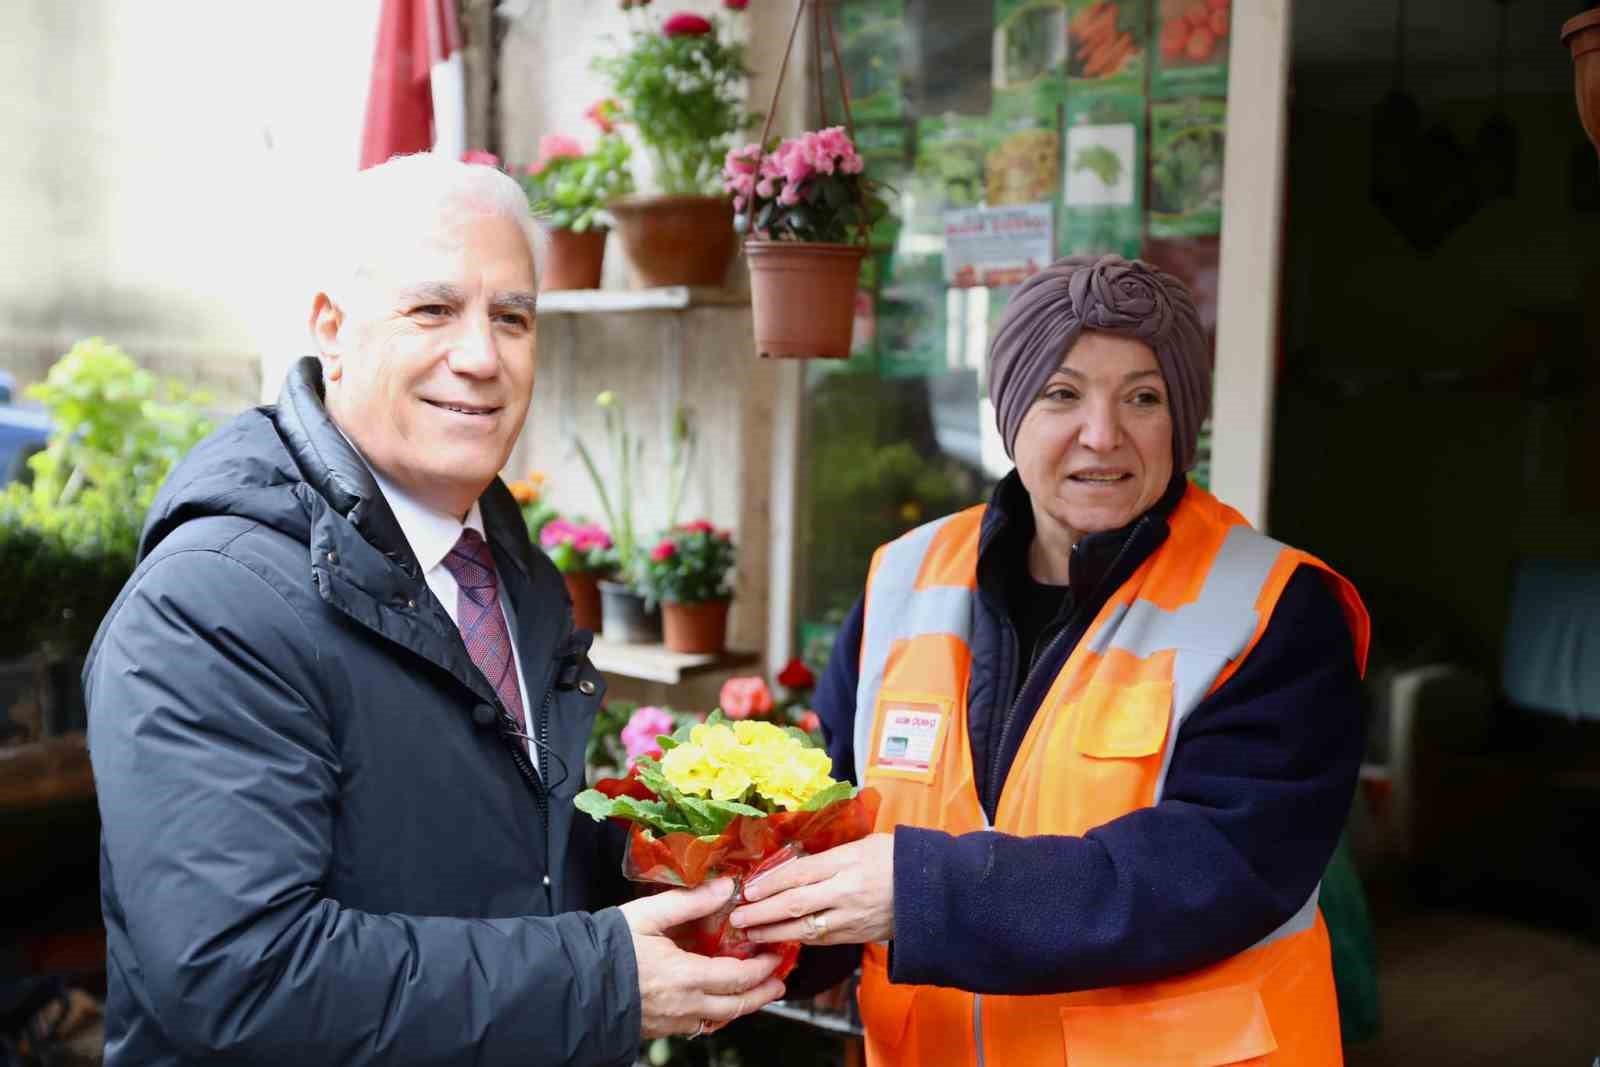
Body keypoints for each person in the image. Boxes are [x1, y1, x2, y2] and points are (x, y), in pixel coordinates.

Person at [84, 153, 784, 1066]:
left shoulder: (504, 568)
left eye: (512, 316)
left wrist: (719, 890)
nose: (481, 356)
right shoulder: (212, 603)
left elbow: (503, 864)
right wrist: (603, 977)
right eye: (432, 309)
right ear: (331, 329)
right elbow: (242, 975)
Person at [732, 255, 1370, 1065]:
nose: (1102, 435)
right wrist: (757, 935)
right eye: (1061, 393)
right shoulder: (904, 576)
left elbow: (1206, 873)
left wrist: (920, 891)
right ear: (1009, 411)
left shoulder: (1275, 607)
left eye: (1144, 396)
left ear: (1184, 421)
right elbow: (836, 821)